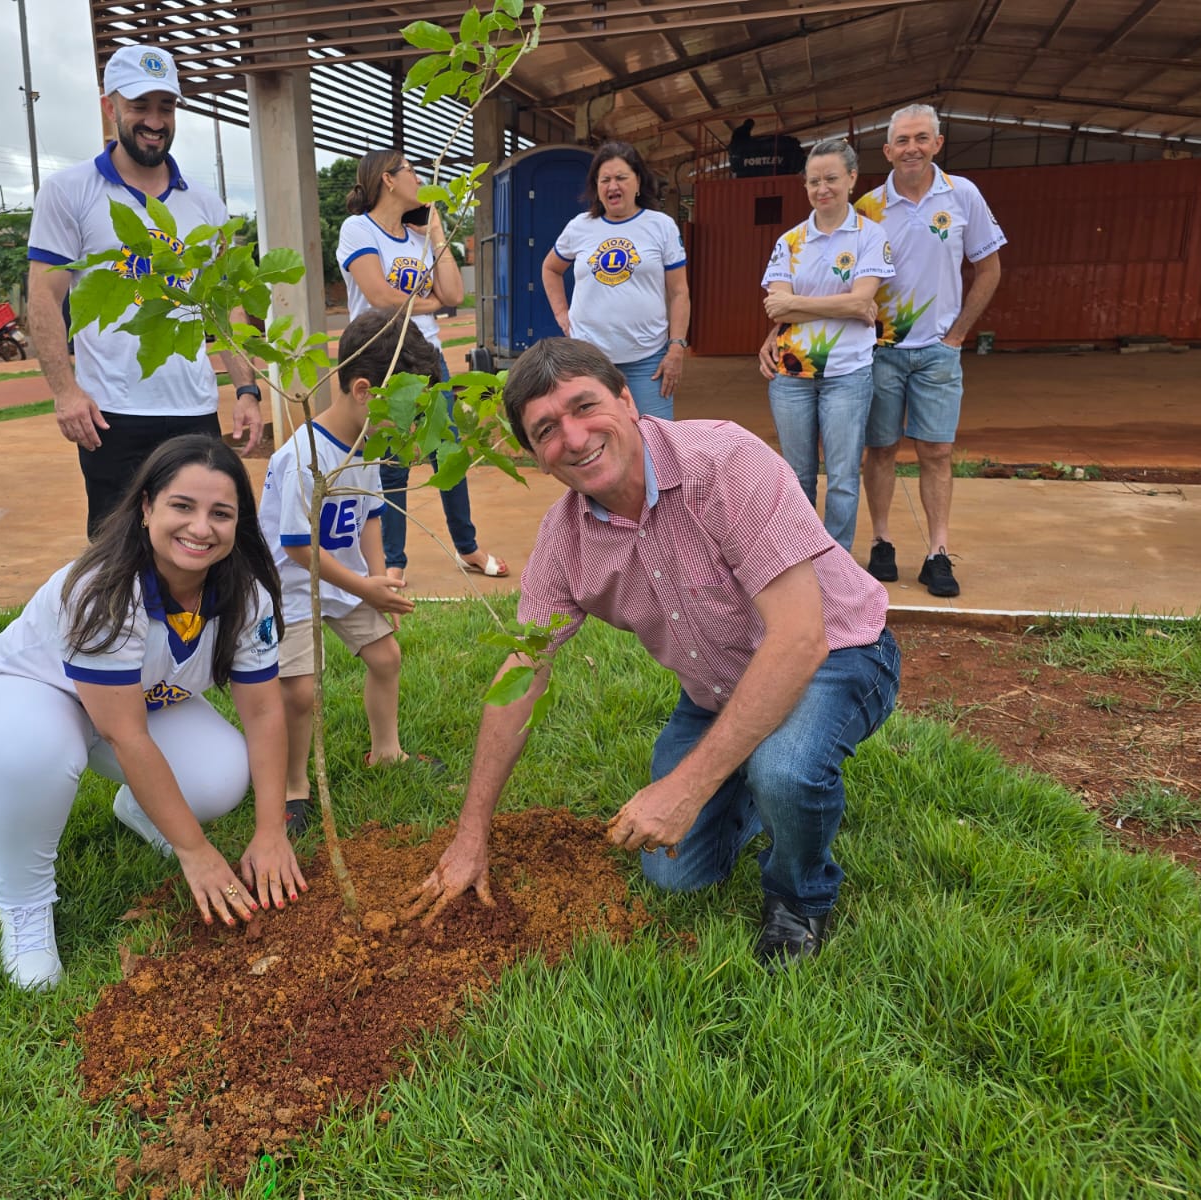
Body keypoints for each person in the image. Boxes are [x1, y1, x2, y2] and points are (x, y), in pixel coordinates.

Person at [403, 338, 900, 969]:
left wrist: (686, 787)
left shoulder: (725, 462)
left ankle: (799, 896)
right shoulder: (564, 539)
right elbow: (522, 673)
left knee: (786, 770)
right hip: (719, 688)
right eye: (547, 430)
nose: (575, 437)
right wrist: (472, 833)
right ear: (535, 457)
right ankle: (748, 780)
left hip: (839, 652)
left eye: (585, 406)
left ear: (628, 399)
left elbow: (802, 638)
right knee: (675, 873)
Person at [0, 435, 304, 990]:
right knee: (39, 750)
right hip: (30, 693)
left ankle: (141, 810)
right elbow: (126, 736)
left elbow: (263, 713)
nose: (200, 527)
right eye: (181, 506)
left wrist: (270, 832)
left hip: (130, 707)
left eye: (221, 513)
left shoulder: (245, 594)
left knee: (219, 776)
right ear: (146, 508)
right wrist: (196, 852)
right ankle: (24, 905)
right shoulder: (104, 590)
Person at [27, 43, 265, 538]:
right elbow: (44, 298)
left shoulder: (203, 204)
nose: (155, 120)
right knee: (117, 555)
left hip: (194, 412)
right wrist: (66, 393)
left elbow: (225, 308)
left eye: (166, 106)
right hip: (112, 416)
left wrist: (246, 389)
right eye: (140, 106)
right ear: (109, 107)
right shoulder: (69, 192)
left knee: (202, 546)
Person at [768, 104, 1004, 598]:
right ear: (887, 150)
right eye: (902, 140)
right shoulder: (870, 208)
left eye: (922, 138)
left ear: (938, 143)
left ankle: (938, 551)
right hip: (877, 351)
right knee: (878, 452)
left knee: (936, 451)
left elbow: (988, 267)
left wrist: (958, 333)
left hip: (936, 349)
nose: (912, 147)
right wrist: (777, 330)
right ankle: (880, 542)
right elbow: (803, 294)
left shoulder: (962, 195)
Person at [259, 310, 445, 835]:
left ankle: (386, 752)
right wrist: (365, 586)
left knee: (386, 656)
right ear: (366, 391)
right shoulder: (303, 458)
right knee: (298, 693)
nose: (411, 425)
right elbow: (298, 548)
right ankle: (295, 786)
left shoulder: (367, 447)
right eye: (408, 409)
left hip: (350, 579)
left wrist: (381, 579)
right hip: (291, 587)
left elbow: (372, 514)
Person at [337, 148, 508, 582]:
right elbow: (378, 296)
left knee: (447, 452)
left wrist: (434, 229)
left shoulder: (418, 238)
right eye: (413, 171)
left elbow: (454, 295)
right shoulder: (358, 229)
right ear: (388, 180)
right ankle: (394, 561)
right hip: (383, 359)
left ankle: (467, 547)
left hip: (428, 357)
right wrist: (429, 304)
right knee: (392, 461)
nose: (421, 180)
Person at [758, 138, 893, 550]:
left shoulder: (871, 236)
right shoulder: (790, 241)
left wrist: (798, 303)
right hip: (791, 376)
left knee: (843, 477)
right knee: (796, 477)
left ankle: (837, 566)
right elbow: (777, 312)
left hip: (848, 375)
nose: (823, 189)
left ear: (852, 178)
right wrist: (846, 305)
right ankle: (801, 559)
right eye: (814, 181)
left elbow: (862, 301)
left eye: (832, 178)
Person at [541, 140, 690, 420]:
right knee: (598, 437)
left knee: (655, 441)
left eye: (621, 178)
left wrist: (676, 347)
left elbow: (680, 292)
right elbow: (550, 268)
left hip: (648, 362)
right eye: (605, 179)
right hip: (589, 361)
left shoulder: (661, 226)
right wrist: (562, 313)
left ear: (638, 182)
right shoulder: (580, 227)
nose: (613, 186)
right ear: (596, 186)